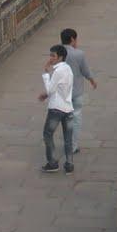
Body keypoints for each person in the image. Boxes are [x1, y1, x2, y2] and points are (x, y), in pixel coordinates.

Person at [39, 44, 76, 174]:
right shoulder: (68, 69)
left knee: (47, 134)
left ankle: (52, 162)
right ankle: (69, 164)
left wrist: (46, 72)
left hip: (56, 108)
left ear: (60, 57)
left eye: (53, 56)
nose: (50, 58)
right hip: (68, 108)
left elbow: (50, 90)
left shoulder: (58, 71)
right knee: (68, 138)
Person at [60, 28, 97, 149]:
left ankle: (67, 141)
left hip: (61, 94)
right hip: (76, 92)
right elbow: (85, 70)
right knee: (76, 118)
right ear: (72, 39)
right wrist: (92, 80)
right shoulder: (79, 54)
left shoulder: (57, 53)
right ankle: (73, 145)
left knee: (65, 119)